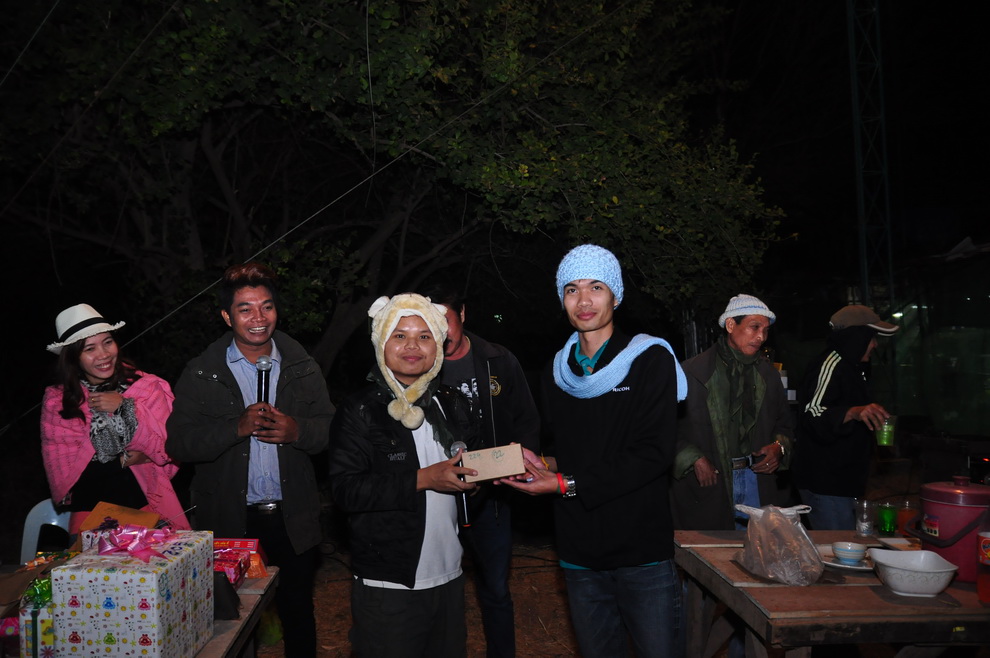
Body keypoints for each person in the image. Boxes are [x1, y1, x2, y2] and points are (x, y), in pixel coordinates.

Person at [501, 244, 687, 658]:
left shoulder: (649, 358)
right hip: (579, 552)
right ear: (562, 299)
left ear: (616, 296)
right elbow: (568, 451)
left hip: (641, 551)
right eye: (572, 289)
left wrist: (563, 483)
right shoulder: (558, 371)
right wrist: (538, 463)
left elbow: (653, 454)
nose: (583, 300)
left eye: (596, 287)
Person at [165, 263, 334, 658]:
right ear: (227, 316)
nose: (259, 317)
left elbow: (332, 430)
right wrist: (235, 428)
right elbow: (179, 444)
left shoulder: (301, 365)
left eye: (267, 306)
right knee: (232, 623)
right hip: (230, 519)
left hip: (292, 516)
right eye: (245, 309)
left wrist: (298, 431)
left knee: (298, 612)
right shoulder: (202, 372)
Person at [328, 293, 481, 657]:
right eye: (400, 336)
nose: (412, 346)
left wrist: (479, 482)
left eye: (424, 336)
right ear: (381, 343)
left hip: (450, 573)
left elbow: (470, 473)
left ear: (438, 346)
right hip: (388, 584)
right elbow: (346, 491)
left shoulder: (452, 403)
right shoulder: (359, 410)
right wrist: (423, 479)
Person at [419, 283, 540, 658]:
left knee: (495, 589)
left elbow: (527, 418)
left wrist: (524, 460)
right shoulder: (417, 364)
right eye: (430, 323)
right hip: (438, 495)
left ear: (463, 314)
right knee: (439, 589)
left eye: (446, 320)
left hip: (493, 497)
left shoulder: (497, 359)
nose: (440, 332)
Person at [41, 303, 190, 535]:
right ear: (73, 358)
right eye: (90, 348)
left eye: (108, 342)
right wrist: (131, 457)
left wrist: (125, 407)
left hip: (148, 507)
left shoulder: (148, 387)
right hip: (89, 515)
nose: (103, 354)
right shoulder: (58, 401)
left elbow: (173, 448)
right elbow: (72, 475)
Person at [670, 294, 794, 531]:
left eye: (765, 330)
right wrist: (693, 458)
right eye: (754, 327)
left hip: (757, 480)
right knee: (714, 550)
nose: (761, 337)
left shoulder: (768, 375)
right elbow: (665, 427)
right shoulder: (692, 372)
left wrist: (779, 448)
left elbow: (785, 425)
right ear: (730, 325)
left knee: (758, 547)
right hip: (711, 485)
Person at [792, 304, 899, 530]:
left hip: (844, 482)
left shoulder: (854, 368)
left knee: (848, 545)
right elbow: (812, 413)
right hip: (826, 484)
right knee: (839, 548)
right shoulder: (830, 364)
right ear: (857, 337)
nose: (875, 344)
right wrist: (853, 412)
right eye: (871, 337)